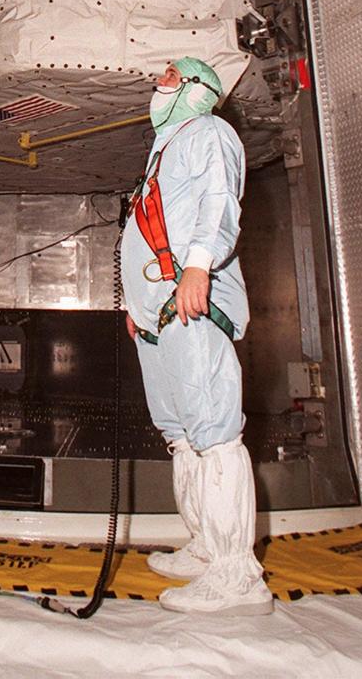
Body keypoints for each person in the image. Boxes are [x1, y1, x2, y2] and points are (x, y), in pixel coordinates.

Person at [121, 56, 272, 616]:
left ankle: (238, 575)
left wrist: (199, 266)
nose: (157, 83)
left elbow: (219, 203)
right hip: (158, 313)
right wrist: (140, 306)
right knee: (181, 433)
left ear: (196, 90)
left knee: (213, 433)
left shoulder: (210, 132)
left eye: (167, 75)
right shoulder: (164, 148)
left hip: (192, 303)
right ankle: (208, 545)